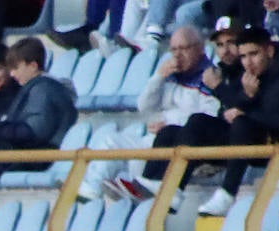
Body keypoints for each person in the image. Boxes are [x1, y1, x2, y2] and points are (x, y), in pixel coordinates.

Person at [197, 26, 279, 217]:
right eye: (243, 57)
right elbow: (236, 108)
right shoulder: (251, 78)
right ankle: (171, 191)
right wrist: (247, 97)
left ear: (269, 51)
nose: (248, 62)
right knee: (197, 122)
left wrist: (247, 112)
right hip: (259, 142)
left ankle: (228, 193)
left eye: (253, 54)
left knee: (241, 123)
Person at [86, 25, 222, 200]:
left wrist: (169, 123)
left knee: (138, 165)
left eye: (183, 48)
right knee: (111, 141)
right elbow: (144, 106)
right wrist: (158, 76)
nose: (177, 55)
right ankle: (92, 190)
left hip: (180, 143)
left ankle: (135, 197)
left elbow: (208, 118)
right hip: (157, 139)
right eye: (173, 49)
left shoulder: (210, 77)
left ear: (200, 48)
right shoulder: (171, 74)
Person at [0, 37, 78, 174]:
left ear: (33, 66)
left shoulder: (43, 90)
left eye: (16, 68)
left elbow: (33, 132)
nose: (12, 74)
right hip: (26, 153)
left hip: (38, 158)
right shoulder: (35, 88)